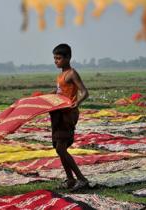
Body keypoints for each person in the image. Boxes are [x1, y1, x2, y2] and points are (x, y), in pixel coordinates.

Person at [49, 43, 89, 191]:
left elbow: (85, 92)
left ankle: (81, 179)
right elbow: (60, 92)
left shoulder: (72, 73)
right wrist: (45, 97)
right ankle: (71, 179)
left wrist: (76, 103)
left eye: (59, 58)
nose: (56, 61)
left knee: (60, 148)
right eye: (54, 58)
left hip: (67, 115)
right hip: (58, 114)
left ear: (68, 58)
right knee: (59, 147)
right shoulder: (60, 76)